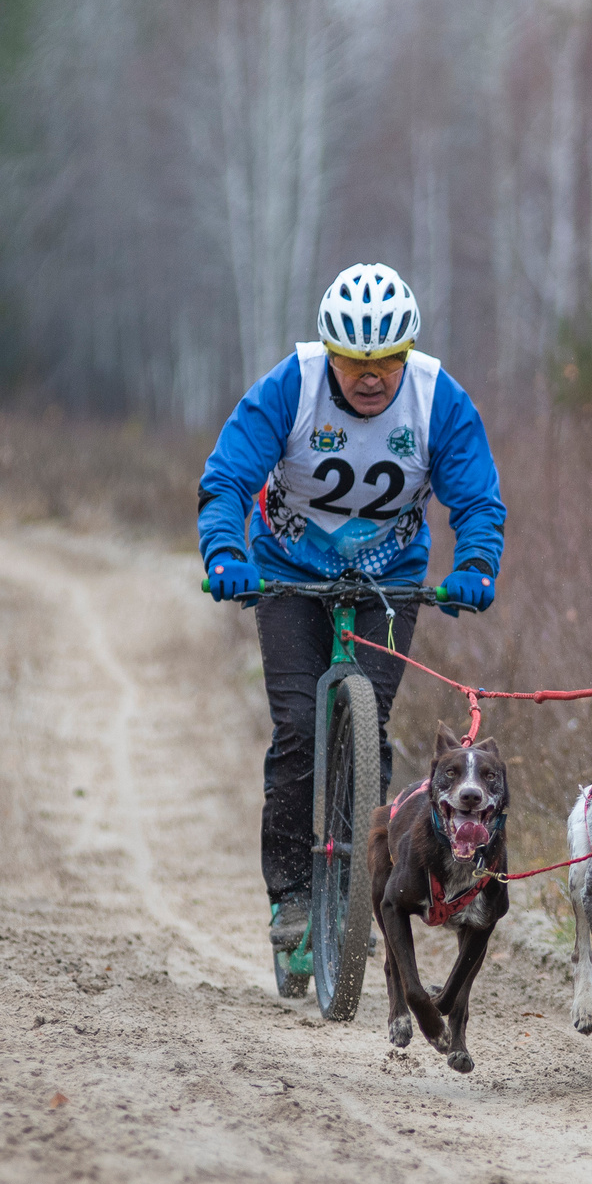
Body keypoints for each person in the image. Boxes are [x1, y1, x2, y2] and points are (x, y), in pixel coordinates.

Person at [196, 264, 505, 994]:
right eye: (356, 362)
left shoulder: (438, 399)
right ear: (331, 352)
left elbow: (477, 498)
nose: (371, 378)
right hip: (286, 573)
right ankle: (293, 894)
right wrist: (226, 552)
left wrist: (477, 565)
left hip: (389, 578)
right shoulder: (291, 386)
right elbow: (229, 478)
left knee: (373, 719)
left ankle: (368, 876)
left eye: (386, 362)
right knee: (300, 726)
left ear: (406, 355)